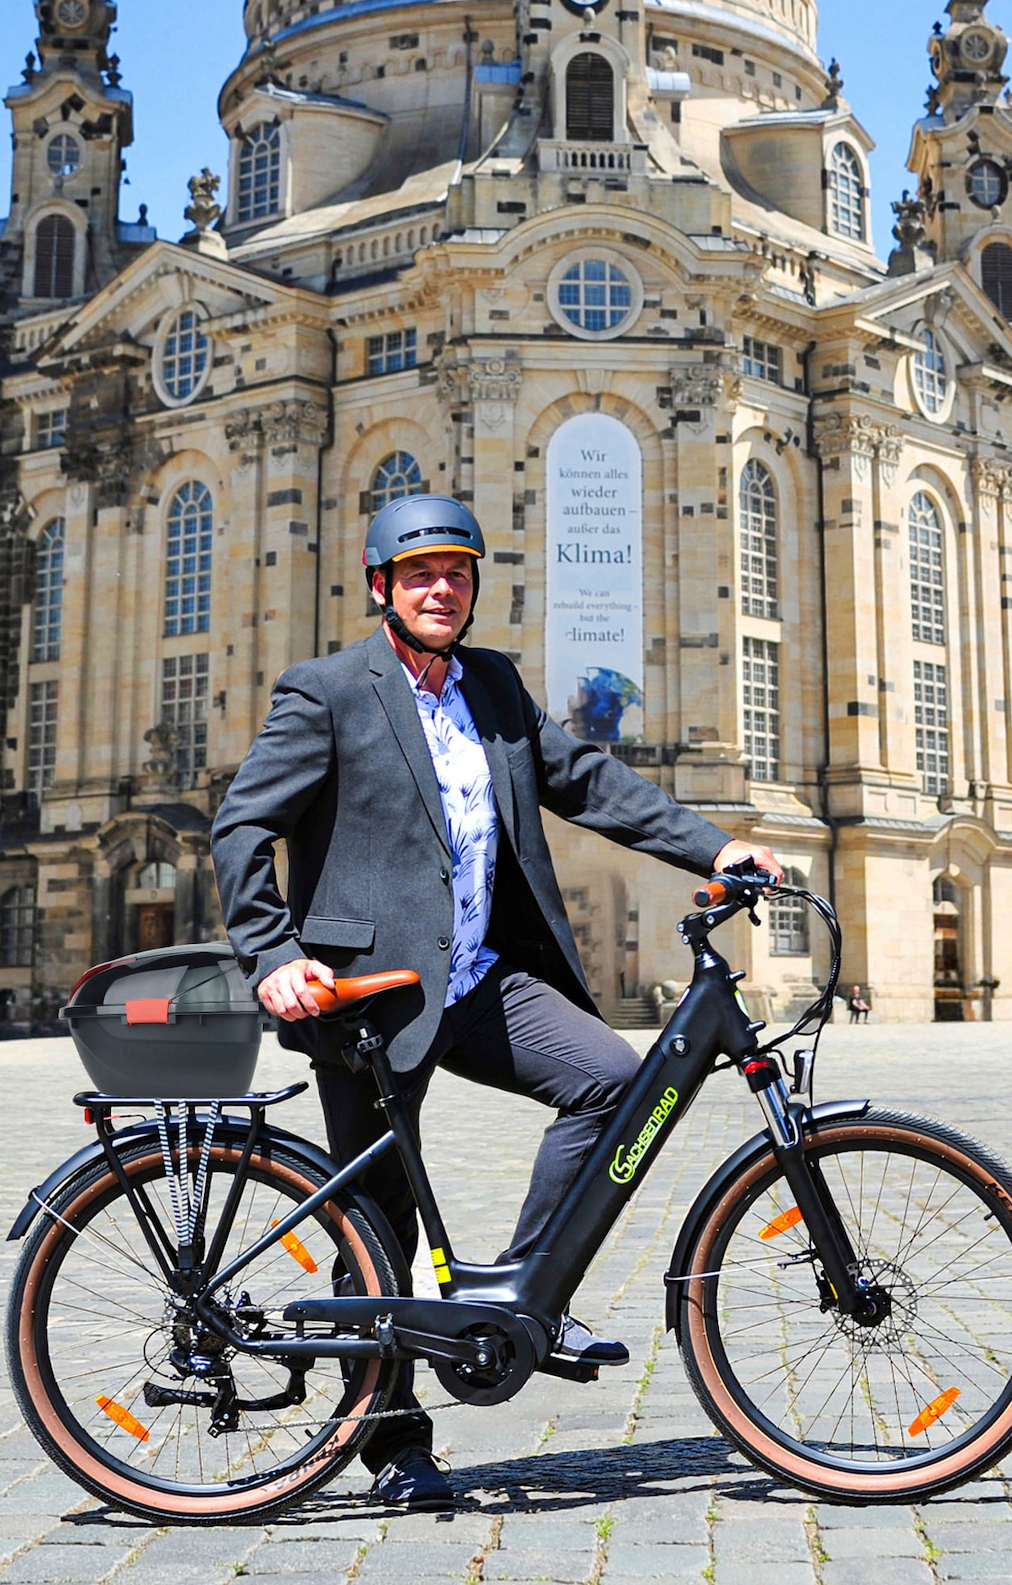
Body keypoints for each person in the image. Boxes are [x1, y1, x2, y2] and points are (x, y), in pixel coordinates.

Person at [211, 493, 781, 1510]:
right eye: (421, 574)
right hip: (367, 997)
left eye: (459, 574)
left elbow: (595, 787)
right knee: (372, 1229)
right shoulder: (329, 691)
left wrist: (716, 845)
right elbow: (243, 825)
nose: (442, 589)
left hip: (478, 978)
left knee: (616, 1081)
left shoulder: (496, 688)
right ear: (381, 584)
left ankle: (528, 1290)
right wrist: (271, 955)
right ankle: (394, 1449)